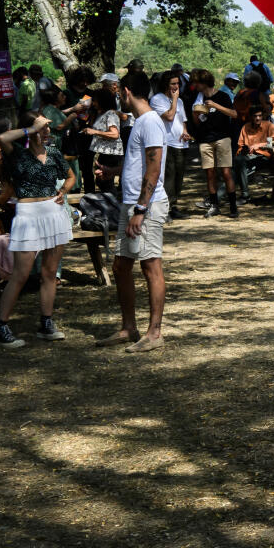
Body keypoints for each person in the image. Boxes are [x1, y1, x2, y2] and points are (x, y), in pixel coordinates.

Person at [0, 115, 76, 347]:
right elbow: (2, 136)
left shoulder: (54, 153)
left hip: (54, 213)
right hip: (28, 214)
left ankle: (46, 322)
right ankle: (0, 327)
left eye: (47, 126)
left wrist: (64, 191)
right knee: (21, 274)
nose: (47, 130)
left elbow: (70, 176)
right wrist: (31, 129)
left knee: (49, 272)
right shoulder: (17, 152)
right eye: (43, 126)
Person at [106, 71, 170, 352]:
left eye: (119, 92)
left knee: (150, 266)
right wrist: (112, 171)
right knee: (120, 267)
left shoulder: (151, 122)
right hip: (130, 203)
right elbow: (139, 164)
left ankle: (154, 333)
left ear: (127, 91)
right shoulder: (139, 122)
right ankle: (128, 328)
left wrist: (141, 210)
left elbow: (154, 169)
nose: (118, 97)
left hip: (146, 206)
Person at [189, 68, 240, 218]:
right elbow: (197, 124)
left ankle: (233, 206)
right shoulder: (197, 99)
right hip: (205, 140)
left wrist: (215, 106)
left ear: (204, 82)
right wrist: (195, 114)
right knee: (209, 174)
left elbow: (234, 114)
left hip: (222, 138)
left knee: (226, 173)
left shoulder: (222, 96)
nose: (194, 86)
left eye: (196, 83)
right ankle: (214, 205)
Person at [234, 106, 274, 195]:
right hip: (248, 157)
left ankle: (214, 200)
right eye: (255, 116)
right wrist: (244, 150)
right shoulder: (245, 127)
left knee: (237, 168)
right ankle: (215, 200)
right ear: (250, 117)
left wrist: (260, 145)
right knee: (234, 172)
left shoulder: (268, 126)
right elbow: (240, 145)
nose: (257, 118)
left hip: (264, 157)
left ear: (263, 116)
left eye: (260, 116)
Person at [84, 92, 125, 197]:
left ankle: (113, 203)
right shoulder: (101, 113)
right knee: (101, 181)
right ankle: (111, 202)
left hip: (111, 153)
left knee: (105, 181)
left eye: (95, 101)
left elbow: (115, 134)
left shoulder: (111, 114)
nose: (93, 103)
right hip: (104, 151)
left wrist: (95, 132)